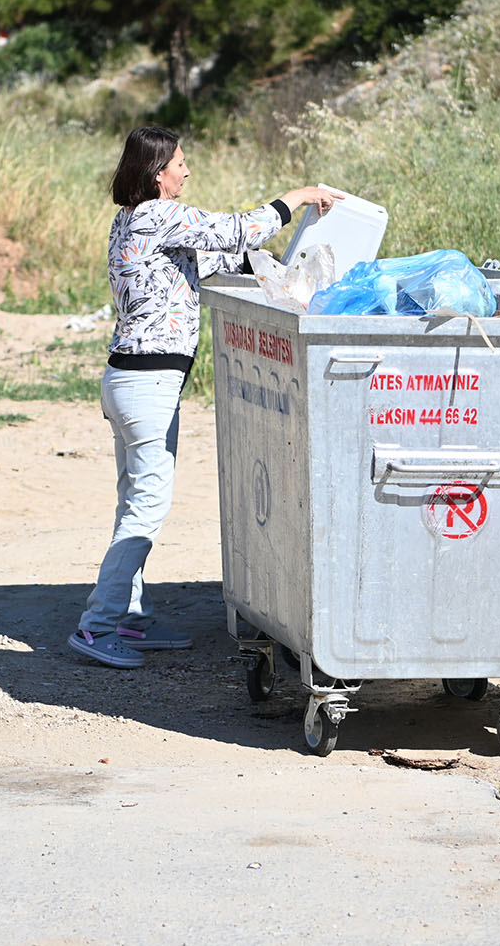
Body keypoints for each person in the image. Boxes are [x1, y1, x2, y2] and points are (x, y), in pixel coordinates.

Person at [69, 125, 339, 668]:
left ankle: (129, 617)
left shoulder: (135, 222)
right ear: (156, 174)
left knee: (133, 503)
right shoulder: (155, 213)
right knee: (146, 507)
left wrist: (282, 268)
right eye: (180, 164)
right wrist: (298, 199)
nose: (187, 172)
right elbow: (237, 228)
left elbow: (218, 260)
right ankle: (97, 628)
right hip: (146, 385)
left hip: (132, 379)